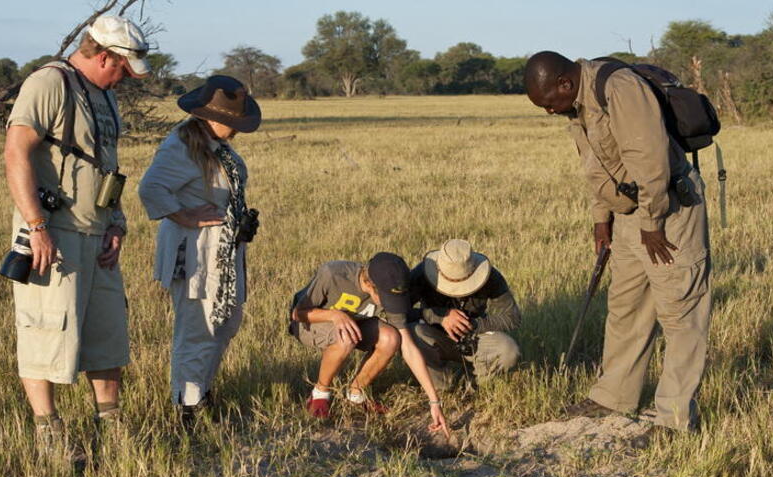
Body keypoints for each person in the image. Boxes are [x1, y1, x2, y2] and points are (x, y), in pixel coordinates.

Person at [524, 51, 712, 433]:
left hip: (667, 209)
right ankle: (614, 396)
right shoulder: (576, 104)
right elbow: (596, 164)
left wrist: (653, 222)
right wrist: (601, 218)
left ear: (565, 82)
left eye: (549, 103)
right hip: (629, 214)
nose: (549, 111)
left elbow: (650, 160)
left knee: (680, 311)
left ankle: (674, 418)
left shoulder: (620, 88)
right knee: (626, 306)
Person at [3, 15, 150, 448]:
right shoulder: (49, 83)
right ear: (103, 54)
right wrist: (36, 227)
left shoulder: (104, 96)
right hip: (54, 231)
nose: (124, 78)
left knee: (108, 335)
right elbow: (16, 154)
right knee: (45, 331)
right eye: (122, 68)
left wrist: (117, 222)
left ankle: (112, 426)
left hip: (98, 233)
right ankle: (49, 433)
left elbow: (107, 166)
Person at [138, 76, 261, 424]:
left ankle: (202, 392)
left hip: (222, 252)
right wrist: (184, 215)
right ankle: (188, 407)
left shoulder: (214, 144)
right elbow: (151, 188)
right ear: (208, 117)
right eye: (230, 122)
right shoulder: (182, 142)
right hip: (196, 254)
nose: (236, 130)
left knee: (225, 322)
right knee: (198, 329)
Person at [289, 253, 449, 436]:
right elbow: (298, 314)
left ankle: (356, 395)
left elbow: (409, 348)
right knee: (345, 337)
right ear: (369, 284)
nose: (391, 304)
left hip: (354, 323)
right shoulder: (333, 274)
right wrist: (334, 315)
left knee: (392, 338)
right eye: (387, 298)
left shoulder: (389, 287)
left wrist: (434, 402)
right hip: (309, 323)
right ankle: (320, 394)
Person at [410, 239, 521, 390]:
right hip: (434, 334)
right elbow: (398, 312)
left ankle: (473, 382)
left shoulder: (491, 276)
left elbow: (512, 317)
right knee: (412, 332)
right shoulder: (421, 274)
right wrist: (439, 317)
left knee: (508, 350)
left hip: (473, 337)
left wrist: (472, 324)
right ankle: (443, 385)